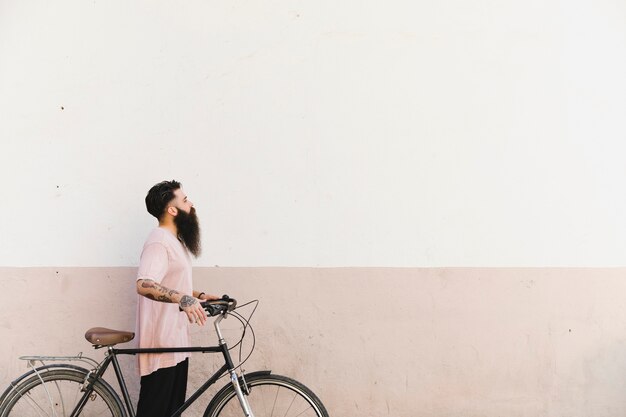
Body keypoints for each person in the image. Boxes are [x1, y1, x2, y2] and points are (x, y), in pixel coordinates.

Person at [135, 180, 219, 417]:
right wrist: (183, 299)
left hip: (176, 342)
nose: (190, 204)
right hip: (161, 343)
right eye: (184, 200)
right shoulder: (159, 241)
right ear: (172, 210)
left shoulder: (173, 241)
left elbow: (170, 283)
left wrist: (199, 296)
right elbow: (144, 283)